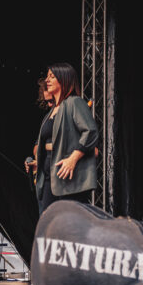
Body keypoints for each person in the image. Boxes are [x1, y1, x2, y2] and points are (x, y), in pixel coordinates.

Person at [34, 63, 98, 212]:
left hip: (68, 180)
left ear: (64, 79)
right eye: (47, 76)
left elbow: (91, 131)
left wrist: (73, 158)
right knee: (49, 225)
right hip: (50, 176)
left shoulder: (74, 103)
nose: (47, 80)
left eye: (52, 77)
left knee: (67, 226)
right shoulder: (52, 112)